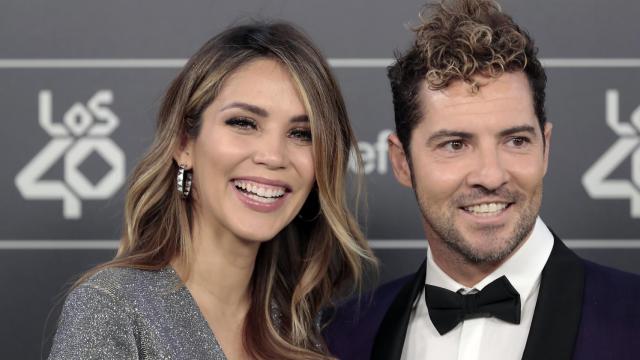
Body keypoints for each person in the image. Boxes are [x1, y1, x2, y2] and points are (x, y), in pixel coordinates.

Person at [324, 1, 640, 359]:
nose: (491, 175)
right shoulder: (342, 337)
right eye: (455, 144)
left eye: (516, 141)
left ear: (545, 148)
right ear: (401, 162)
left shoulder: (633, 319)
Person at [48, 22, 376, 360]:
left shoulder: (303, 327)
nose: (273, 156)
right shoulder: (113, 309)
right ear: (183, 143)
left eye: (301, 133)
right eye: (243, 123)